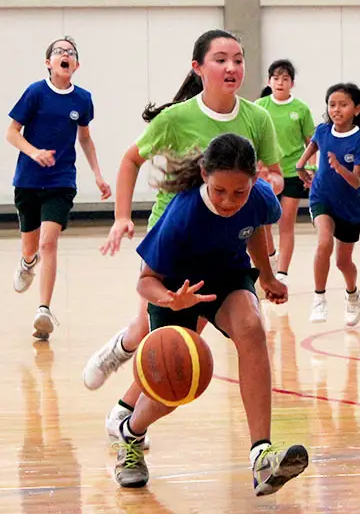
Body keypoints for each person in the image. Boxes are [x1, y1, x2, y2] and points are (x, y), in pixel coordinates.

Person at [82, 29, 283, 450]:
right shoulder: (175, 118)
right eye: (221, 59)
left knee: (191, 345)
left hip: (226, 239)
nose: (232, 68)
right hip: (175, 238)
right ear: (198, 68)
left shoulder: (258, 118)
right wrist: (121, 217)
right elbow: (131, 159)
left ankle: (128, 414)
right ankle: (118, 358)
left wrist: (265, 190)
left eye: (238, 59)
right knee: (157, 334)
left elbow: (272, 173)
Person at [113, 132, 308, 495]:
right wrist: (173, 300)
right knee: (176, 384)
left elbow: (255, 227)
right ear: (204, 174)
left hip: (226, 275)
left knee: (252, 326)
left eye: (239, 192)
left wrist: (266, 275)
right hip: (175, 287)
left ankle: (261, 456)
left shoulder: (260, 196)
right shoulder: (183, 214)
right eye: (220, 191)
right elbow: (146, 281)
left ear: (254, 181)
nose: (229, 200)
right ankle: (131, 434)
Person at [6, 36, 111, 340]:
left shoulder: (82, 99)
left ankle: (43, 310)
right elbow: (11, 133)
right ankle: (27, 263)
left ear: (76, 64)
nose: (65, 55)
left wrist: (98, 176)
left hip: (61, 180)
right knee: (31, 247)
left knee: (48, 242)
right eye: (59, 52)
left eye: (71, 53)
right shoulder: (35, 93)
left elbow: (86, 139)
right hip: (28, 180)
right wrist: (33, 152)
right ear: (48, 62)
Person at [295, 83, 360, 326]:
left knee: (342, 261)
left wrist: (339, 168)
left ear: (356, 109)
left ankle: (352, 295)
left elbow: (356, 181)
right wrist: (303, 172)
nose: (336, 109)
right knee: (323, 241)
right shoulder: (322, 132)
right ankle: (319, 298)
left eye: (343, 104)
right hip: (321, 199)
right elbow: (301, 163)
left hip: (349, 206)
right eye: (332, 104)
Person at [255, 59, 315, 283]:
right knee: (265, 224)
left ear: (292, 83)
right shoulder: (260, 106)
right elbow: (252, 139)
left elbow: (311, 141)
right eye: (276, 78)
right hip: (267, 175)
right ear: (269, 81)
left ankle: (282, 272)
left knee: (286, 222)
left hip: (292, 172)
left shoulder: (300, 109)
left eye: (285, 79)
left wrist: (310, 167)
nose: (280, 83)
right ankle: (270, 257)